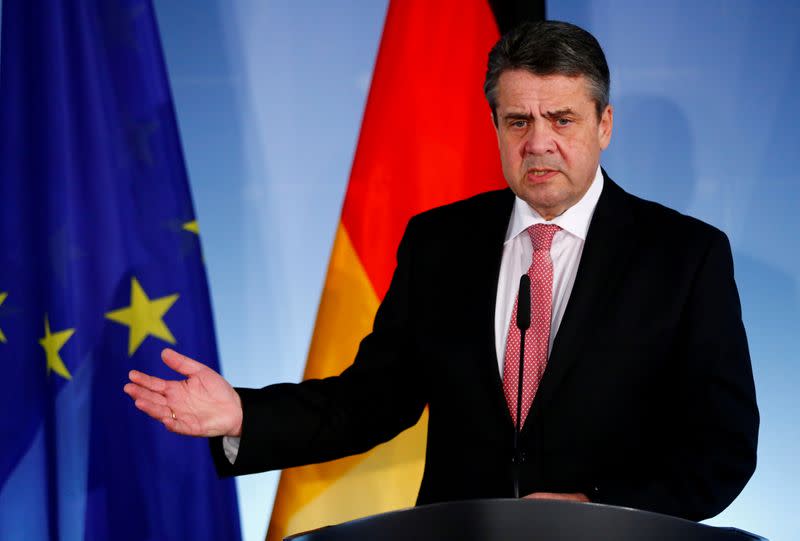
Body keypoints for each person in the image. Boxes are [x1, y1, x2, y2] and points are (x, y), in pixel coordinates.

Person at [124, 20, 758, 521]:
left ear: (604, 125)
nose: (538, 142)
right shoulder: (440, 242)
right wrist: (243, 416)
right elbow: (370, 402)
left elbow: (722, 447)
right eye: (518, 121)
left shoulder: (684, 255)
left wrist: (600, 510)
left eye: (561, 119)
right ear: (496, 127)